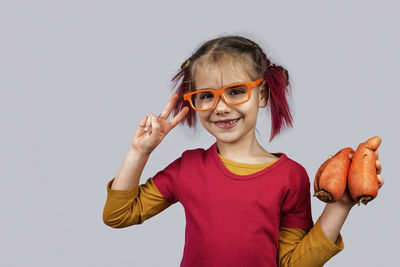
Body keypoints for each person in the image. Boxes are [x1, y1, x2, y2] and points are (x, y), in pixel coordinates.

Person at [102, 35, 384, 267]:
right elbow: (119, 214)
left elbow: (293, 264)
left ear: (262, 95)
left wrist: (340, 205)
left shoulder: (291, 177)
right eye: (207, 96)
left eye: (236, 91)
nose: (221, 107)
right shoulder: (187, 168)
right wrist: (140, 151)